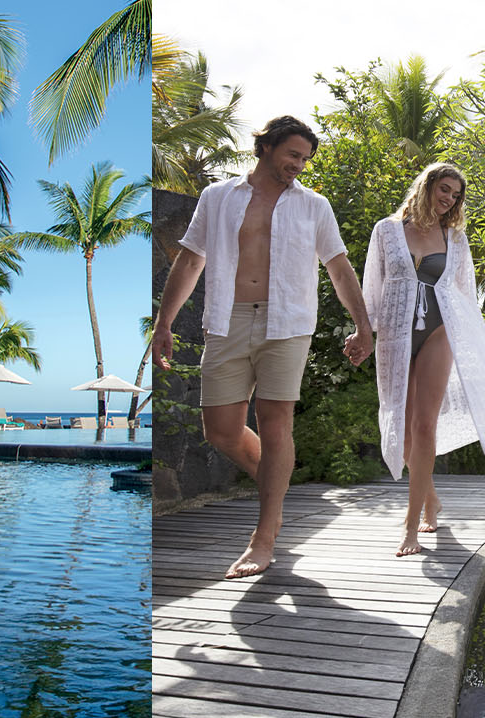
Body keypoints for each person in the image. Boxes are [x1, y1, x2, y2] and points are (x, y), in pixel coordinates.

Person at [152, 116, 374, 579]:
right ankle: (277, 483)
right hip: (226, 320)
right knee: (221, 430)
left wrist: (363, 325)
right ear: (267, 146)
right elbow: (192, 259)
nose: (299, 165)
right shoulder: (217, 197)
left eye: (305, 159)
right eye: (293, 154)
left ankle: (264, 537)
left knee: (276, 425)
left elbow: (338, 266)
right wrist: (165, 321)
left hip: (287, 323)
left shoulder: (314, 206)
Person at [363, 162, 485, 556]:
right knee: (402, 430)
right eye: (444, 189)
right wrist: (363, 330)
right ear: (427, 186)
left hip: (439, 332)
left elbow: (464, 293)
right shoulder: (386, 230)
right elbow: (373, 287)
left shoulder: (454, 238)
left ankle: (411, 526)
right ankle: (430, 498)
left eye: (455, 195)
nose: (449, 199)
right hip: (395, 336)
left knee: (424, 425)